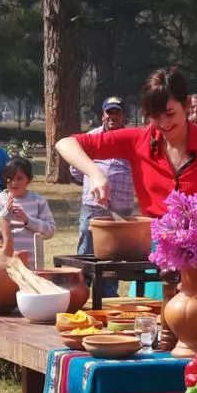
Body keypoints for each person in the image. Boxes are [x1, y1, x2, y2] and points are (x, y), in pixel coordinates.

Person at [56, 67, 197, 219]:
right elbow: (65, 144)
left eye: (169, 114)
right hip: (155, 245)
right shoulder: (137, 140)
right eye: (155, 116)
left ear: (186, 105)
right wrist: (95, 173)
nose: (164, 123)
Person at [69, 96, 135, 297]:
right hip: (93, 206)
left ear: (124, 116)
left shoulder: (132, 140)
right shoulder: (91, 137)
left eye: (117, 112)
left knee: (114, 255)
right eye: (109, 112)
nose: (113, 116)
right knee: (87, 249)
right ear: (103, 115)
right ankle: (79, 292)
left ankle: (108, 296)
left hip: (121, 208)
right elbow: (76, 169)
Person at [0, 157, 56, 270]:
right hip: (4, 265)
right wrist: (5, 215)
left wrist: (28, 221)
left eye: (19, 178)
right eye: (10, 178)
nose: (14, 183)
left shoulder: (38, 201)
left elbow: (50, 231)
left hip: (32, 266)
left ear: (28, 179)